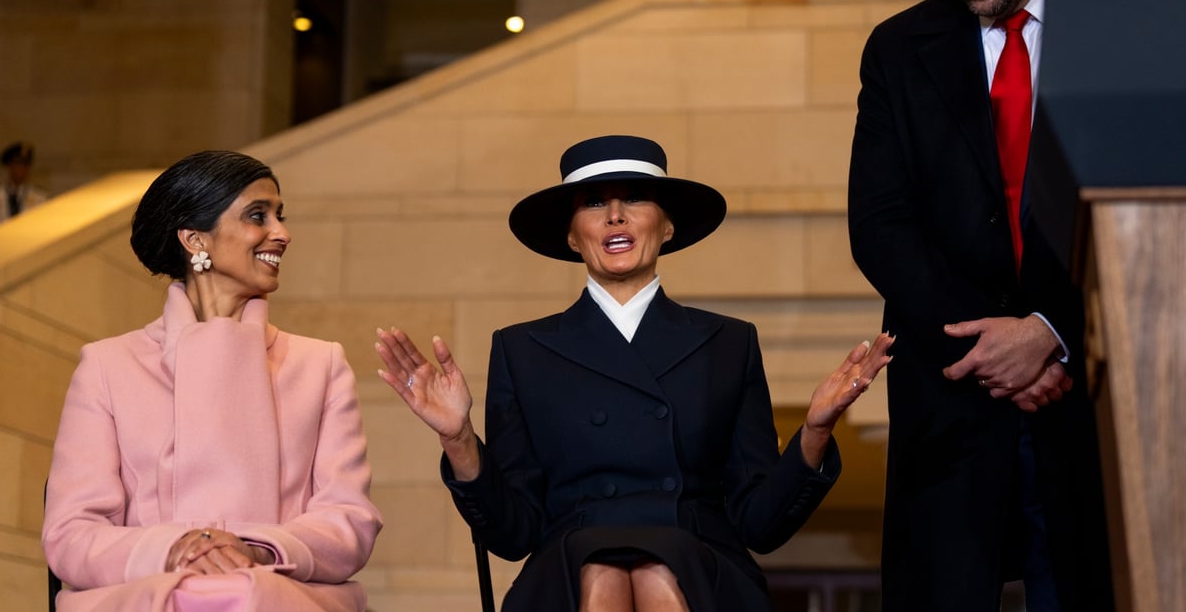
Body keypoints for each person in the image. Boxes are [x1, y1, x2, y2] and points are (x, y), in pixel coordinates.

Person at [375, 134, 893, 611]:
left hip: (700, 559)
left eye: (635, 200)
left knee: (655, 569)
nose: (616, 217)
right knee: (600, 570)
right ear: (573, 237)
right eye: (595, 203)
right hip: (568, 564)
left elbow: (759, 523)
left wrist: (816, 431)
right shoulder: (521, 349)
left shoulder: (729, 343)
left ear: (668, 226)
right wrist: (460, 438)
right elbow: (514, 534)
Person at [848, 0, 1113, 612]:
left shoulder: (1113, 37)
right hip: (954, 397)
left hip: (1085, 396)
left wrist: (1049, 335)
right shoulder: (899, 50)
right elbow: (880, 226)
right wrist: (999, 341)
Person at [42, 150, 382, 611]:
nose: (282, 234)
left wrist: (257, 549)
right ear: (195, 240)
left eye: (280, 216)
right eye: (257, 215)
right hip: (148, 595)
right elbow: (70, 534)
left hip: (279, 594)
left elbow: (349, 522)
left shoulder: (320, 365)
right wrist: (177, 548)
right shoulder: (108, 366)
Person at [0, 140, 50, 227]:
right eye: (16, 164)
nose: (20, 169)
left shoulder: (39, 197)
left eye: (24, 165)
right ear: (9, 166)